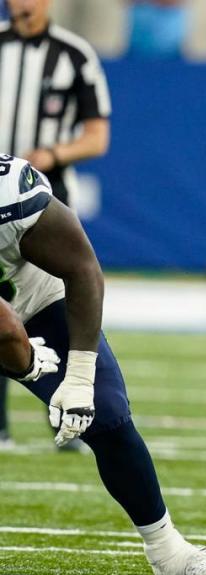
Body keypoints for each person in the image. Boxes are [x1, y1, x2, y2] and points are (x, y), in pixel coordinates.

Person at [0, 153, 206, 575]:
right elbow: (5, 332)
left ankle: (167, 550)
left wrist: (80, 375)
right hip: (8, 322)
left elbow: (82, 267)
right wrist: (28, 366)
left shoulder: (8, 189)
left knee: (104, 415)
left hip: (36, 302)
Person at [0, 0, 112, 448]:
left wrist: (53, 155)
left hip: (43, 199)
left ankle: (69, 407)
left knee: (61, 299)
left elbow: (97, 136)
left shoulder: (75, 54)